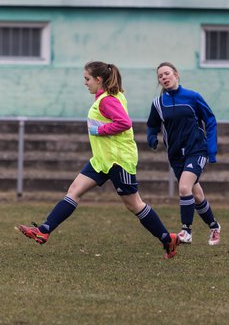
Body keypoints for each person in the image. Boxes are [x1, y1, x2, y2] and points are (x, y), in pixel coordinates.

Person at [17, 61, 179, 259]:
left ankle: (167, 238)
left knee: (134, 204)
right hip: (101, 160)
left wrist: (100, 130)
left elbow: (125, 123)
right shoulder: (106, 97)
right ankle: (44, 230)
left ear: (98, 79)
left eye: (87, 79)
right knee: (74, 190)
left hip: (117, 161)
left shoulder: (107, 100)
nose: (85, 83)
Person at [147, 61, 221, 245]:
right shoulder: (158, 103)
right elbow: (152, 124)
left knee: (183, 188)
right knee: (196, 195)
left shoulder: (192, 97)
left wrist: (211, 150)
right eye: (160, 76)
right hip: (175, 155)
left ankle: (186, 230)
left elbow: (210, 120)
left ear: (176, 74)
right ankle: (214, 226)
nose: (164, 77)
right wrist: (151, 137)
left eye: (167, 73)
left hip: (196, 150)